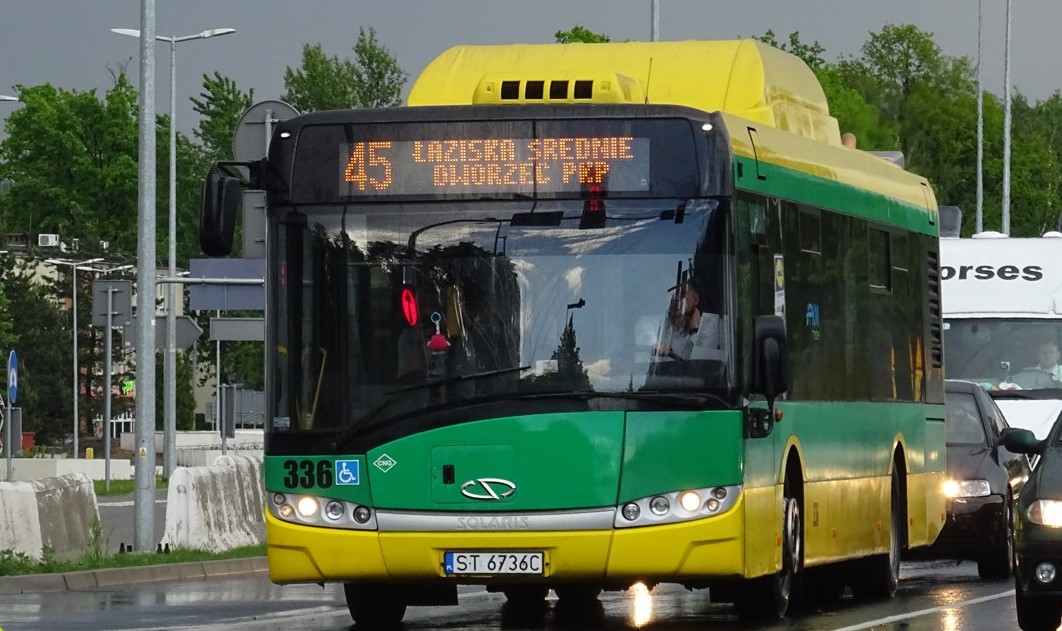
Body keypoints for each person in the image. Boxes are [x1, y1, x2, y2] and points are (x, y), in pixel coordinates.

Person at [655, 277, 721, 361]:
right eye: (672, 294)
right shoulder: (658, 326)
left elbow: (703, 361)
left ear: (696, 300)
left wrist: (695, 329)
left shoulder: (709, 324)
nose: (676, 299)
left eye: (682, 294)